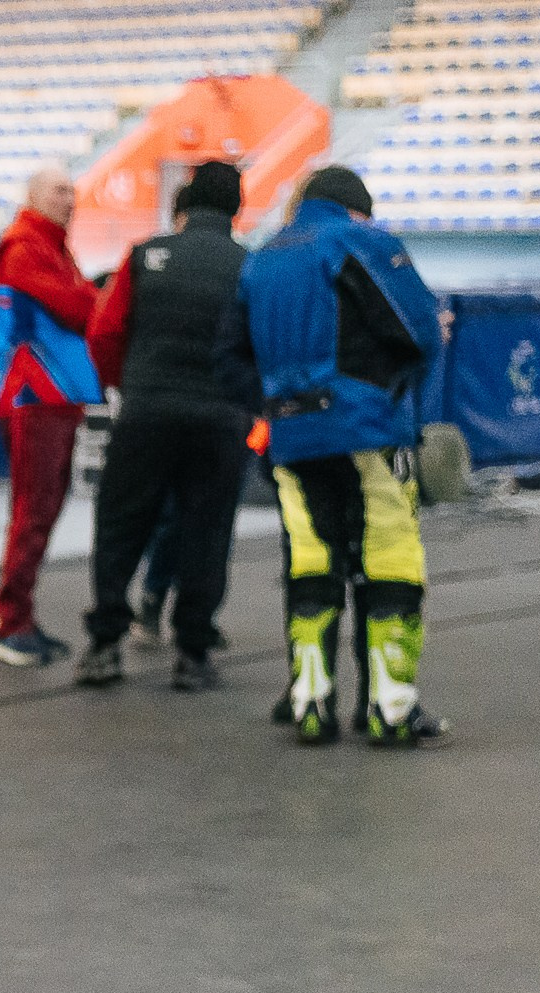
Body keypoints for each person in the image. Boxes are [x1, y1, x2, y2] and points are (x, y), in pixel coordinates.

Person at [229, 166, 451, 746]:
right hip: (365, 428)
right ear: (357, 208)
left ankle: (310, 704)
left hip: (290, 440)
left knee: (311, 563)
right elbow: (419, 328)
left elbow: (231, 355)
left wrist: (277, 404)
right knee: (390, 562)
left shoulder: (261, 256)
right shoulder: (361, 242)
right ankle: (391, 710)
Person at [76, 161, 260, 691]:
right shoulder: (248, 265)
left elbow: (104, 333)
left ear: (182, 208)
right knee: (205, 531)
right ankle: (193, 653)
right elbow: (258, 348)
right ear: (235, 210)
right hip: (220, 419)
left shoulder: (143, 256)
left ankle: (105, 645)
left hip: (147, 413)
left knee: (121, 525)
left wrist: (128, 387)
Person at [0, 163, 100, 667]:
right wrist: (102, 298)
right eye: (59, 190)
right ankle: (10, 622)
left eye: (72, 190)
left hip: (53, 396)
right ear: (33, 196)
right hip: (36, 396)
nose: (70, 198)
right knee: (34, 511)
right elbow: (76, 308)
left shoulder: (46, 245)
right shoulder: (27, 246)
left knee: (43, 510)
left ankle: (18, 617)